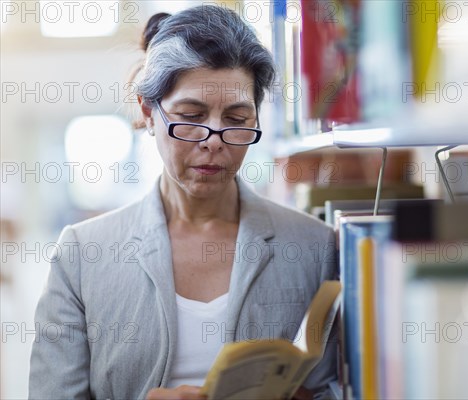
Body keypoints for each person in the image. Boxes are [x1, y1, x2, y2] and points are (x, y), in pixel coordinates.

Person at [29, 5, 338, 400]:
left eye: (237, 118)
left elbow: (336, 387)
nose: (213, 139)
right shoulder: (82, 256)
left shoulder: (315, 247)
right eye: (191, 115)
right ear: (148, 112)